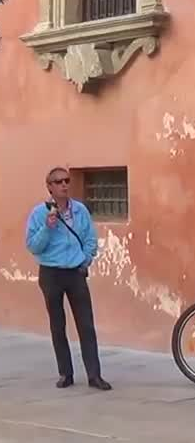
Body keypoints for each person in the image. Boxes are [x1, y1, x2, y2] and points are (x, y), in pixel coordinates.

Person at [25, 167, 111, 391]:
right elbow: (33, 246)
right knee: (57, 325)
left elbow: (90, 238)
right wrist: (47, 226)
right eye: (58, 181)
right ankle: (65, 373)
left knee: (86, 325)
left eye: (67, 180)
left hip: (75, 272)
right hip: (51, 273)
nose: (64, 185)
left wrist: (85, 260)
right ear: (50, 187)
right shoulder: (38, 213)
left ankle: (94, 375)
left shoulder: (80, 210)